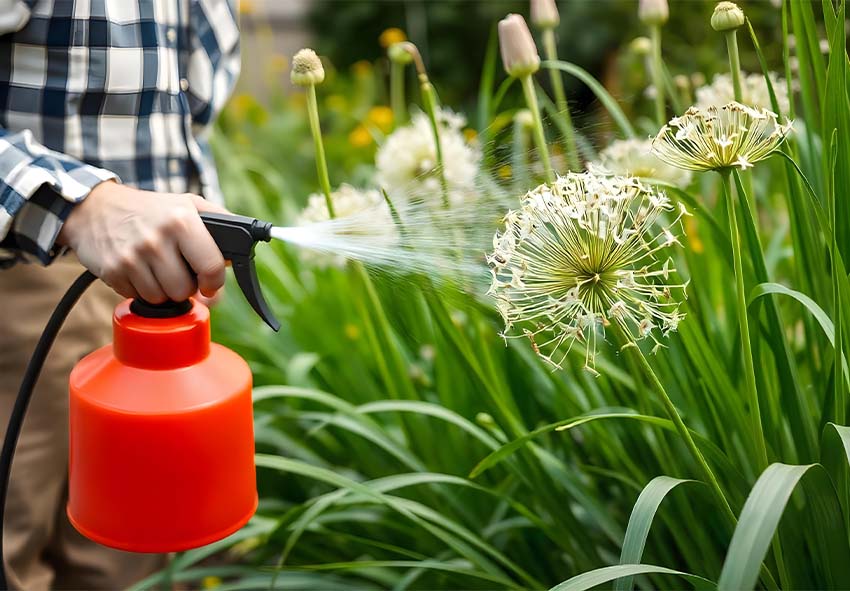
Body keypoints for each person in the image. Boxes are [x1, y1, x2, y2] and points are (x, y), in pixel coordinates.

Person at [0, 1, 241, 588]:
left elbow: (176, 119)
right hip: (23, 279)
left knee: (134, 560)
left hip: (157, 294)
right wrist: (79, 205)